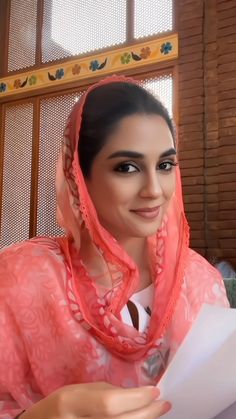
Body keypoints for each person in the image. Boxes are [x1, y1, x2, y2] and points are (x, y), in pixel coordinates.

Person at [0, 75, 229, 418]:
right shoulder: (21, 277)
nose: (154, 189)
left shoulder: (200, 282)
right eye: (127, 167)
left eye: (165, 165)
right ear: (80, 175)